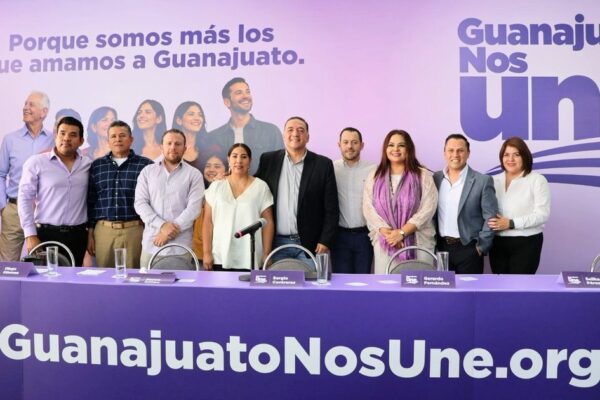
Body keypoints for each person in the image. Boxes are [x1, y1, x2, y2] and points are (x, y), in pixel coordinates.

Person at [255, 116, 339, 265]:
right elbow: (252, 186)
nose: (295, 134)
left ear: (307, 137)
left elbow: (331, 209)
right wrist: (229, 177)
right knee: (278, 280)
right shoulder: (268, 160)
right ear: (283, 135)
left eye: (301, 130)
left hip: (311, 245)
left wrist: (325, 240)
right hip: (275, 244)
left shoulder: (323, 165)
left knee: (313, 280)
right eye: (290, 130)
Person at [18, 116, 91, 266]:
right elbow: (24, 199)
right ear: (55, 136)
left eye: (73, 135)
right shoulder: (36, 162)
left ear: (81, 141)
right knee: (43, 279)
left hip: (77, 236)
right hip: (45, 234)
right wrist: (30, 234)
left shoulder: (88, 165)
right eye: (62, 133)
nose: (66, 138)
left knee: (73, 278)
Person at [363, 130, 438, 274]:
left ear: (408, 149)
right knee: (386, 284)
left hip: (418, 242)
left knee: (418, 283)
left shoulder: (423, 176)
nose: (395, 149)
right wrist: (390, 235)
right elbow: (368, 209)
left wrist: (402, 233)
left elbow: (428, 208)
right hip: (386, 243)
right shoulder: (374, 176)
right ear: (385, 149)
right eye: (391, 145)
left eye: (401, 145)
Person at [134, 129, 204, 269]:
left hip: (180, 248)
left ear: (184, 148)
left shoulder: (194, 174)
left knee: (181, 284)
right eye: (169, 143)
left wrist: (167, 233)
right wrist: (162, 226)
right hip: (151, 245)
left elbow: (194, 209)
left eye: (178, 144)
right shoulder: (147, 172)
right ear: (162, 146)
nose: (173, 147)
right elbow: (140, 204)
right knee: (147, 284)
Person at [87, 120, 153, 269]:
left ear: (131, 139)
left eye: (122, 135)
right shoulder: (97, 166)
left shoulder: (146, 165)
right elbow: (91, 201)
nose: (118, 139)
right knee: (105, 276)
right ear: (108, 140)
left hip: (135, 230)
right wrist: (90, 233)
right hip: (104, 231)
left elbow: (154, 200)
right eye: (113, 136)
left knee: (134, 276)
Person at [0, 91, 55, 261]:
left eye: (31, 104)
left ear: (44, 112)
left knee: (44, 263)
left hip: (44, 213)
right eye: (25, 104)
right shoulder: (10, 139)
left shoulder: (54, 140)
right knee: (7, 265)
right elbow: (1, 174)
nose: (25, 108)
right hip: (14, 211)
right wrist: (3, 207)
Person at [202, 144, 274, 271]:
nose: (239, 160)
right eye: (234, 156)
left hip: (250, 257)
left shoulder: (261, 187)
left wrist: (266, 253)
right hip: (220, 256)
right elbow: (208, 222)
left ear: (250, 161)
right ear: (228, 159)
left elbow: (267, 223)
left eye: (244, 157)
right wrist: (207, 252)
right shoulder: (216, 187)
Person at [433, 134, 498, 274]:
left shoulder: (483, 181)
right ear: (444, 153)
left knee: (469, 289)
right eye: (451, 150)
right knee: (444, 288)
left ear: (468, 153)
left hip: (469, 249)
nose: (455, 155)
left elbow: (491, 217)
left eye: (460, 150)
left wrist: (481, 247)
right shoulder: (435, 179)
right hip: (441, 249)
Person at [487, 137, 551, 274]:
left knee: (520, 285)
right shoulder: (493, 180)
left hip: (526, 242)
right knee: (499, 283)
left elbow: (542, 215)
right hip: (497, 242)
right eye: (506, 155)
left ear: (525, 156)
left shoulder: (537, 180)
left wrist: (511, 223)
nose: (510, 159)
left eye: (516, 154)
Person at [210, 77, 284, 174]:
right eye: (239, 93)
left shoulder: (271, 131)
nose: (246, 96)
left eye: (247, 92)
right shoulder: (214, 137)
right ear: (227, 102)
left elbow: (281, 166)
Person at [331, 127, 376, 274]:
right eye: (345, 142)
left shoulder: (374, 169)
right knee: (340, 281)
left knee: (363, 280)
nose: (350, 146)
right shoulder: (331, 168)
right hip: (339, 236)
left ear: (362, 145)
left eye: (354, 142)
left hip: (365, 235)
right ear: (339, 145)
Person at [191, 155, 227, 259]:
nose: (211, 169)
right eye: (208, 166)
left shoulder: (228, 191)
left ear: (227, 170)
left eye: (217, 166)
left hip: (219, 253)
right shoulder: (198, 190)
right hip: (197, 252)